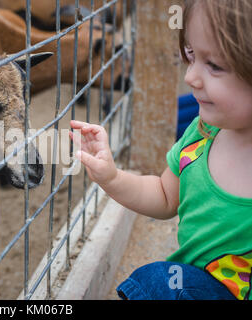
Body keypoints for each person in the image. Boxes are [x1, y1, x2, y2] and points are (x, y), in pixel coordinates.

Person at [69, 0, 252, 300]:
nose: (190, 77)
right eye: (191, 56)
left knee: (159, 283)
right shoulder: (199, 138)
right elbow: (165, 196)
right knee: (164, 283)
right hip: (195, 287)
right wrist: (112, 178)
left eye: (214, 65)